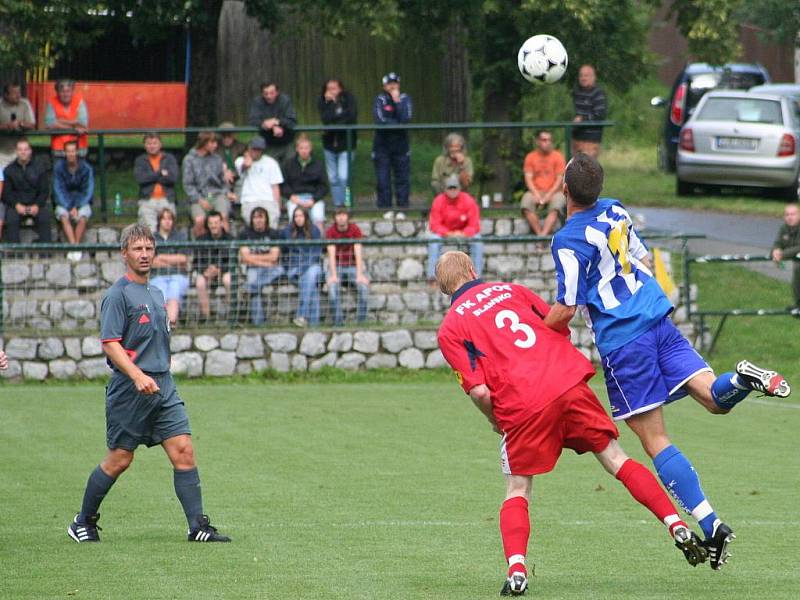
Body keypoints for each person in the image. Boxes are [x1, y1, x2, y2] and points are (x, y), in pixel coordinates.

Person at [546, 153, 791, 571]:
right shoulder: (615, 210)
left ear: (565, 190)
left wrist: (537, 330)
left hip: (625, 342)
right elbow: (641, 260)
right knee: (715, 397)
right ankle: (745, 381)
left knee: (655, 440)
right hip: (657, 317)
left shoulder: (567, 240)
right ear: (598, 188)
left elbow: (565, 309)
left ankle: (710, 523)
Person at [435, 250, 707, 596]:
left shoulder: (451, 328)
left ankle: (517, 569)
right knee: (616, 458)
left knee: (518, 488)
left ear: (442, 288)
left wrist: (497, 422)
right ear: (472, 270)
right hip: (567, 380)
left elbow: (481, 393)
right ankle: (676, 525)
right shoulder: (512, 290)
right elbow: (555, 323)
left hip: (524, 404)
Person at [66, 223, 230, 544]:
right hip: (131, 390)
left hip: (163, 386)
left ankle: (197, 525)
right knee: (120, 460)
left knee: (183, 449)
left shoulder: (156, 293)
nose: (144, 254)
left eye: (149, 248)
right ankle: (82, 521)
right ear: (124, 253)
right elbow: (110, 343)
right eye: (137, 248)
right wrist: (138, 375)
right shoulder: (117, 295)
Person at [427, 174, 482, 284]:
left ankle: (477, 276)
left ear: (459, 188)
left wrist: (464, 233)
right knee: (433, 240)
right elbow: (434, 224)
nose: (452, 190)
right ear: (445, 189)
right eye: (450, 188)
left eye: (454, 187)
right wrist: (448, 233)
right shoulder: (438, 201)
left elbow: (474, 224)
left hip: (463, 233)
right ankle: (432, 278)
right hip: (444, 234)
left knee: (478, 240)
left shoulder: (468, 200)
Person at [372, 72, 412, 220]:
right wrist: (397, 125)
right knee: (383, 178)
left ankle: (402, 208)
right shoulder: (380, 99)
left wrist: (397, 101)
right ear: (384, 86)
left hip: (401, 145)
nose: (392, 86)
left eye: (395, 83)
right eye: (389, 83)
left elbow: (406, 118)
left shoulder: (405, 99)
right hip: (382, 145)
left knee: (402, 177)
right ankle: (385, 208)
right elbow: (380, 120)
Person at [182, 131, 233, 238]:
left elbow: (222, 181)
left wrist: (227, 192)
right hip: (198, 197)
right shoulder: (189, 160)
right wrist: (200, 200)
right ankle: (200, 251)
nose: (216, 145)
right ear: (205, 143)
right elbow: (188, 185)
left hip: (216, 194)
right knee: (199, 220)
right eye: (213, 142)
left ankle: (226, 249)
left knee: (222, 217)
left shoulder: (217, 159)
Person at [240, 207, 284, 326]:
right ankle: (259, 322)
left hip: (271, 268)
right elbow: (244, 258)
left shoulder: (274, 233)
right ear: (252, 220)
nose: (258, 220)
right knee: (253, 279)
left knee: (280, 269)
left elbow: (274, 257)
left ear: (266, 219)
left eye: (261, 217)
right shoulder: (245, 234)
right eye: (255, 217)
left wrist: (253, 258)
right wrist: (264, 262)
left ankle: (248, 288)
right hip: (254, 268)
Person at [2, 138, 51, 243]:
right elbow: (6, 193)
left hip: (36, 204)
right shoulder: (9, 170)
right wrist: (16, 205)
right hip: (16, 205)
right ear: (16, 151)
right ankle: (15, 255)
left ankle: (45, 254)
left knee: (44, 218)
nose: (23, 152)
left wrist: (37, 205)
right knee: (11, 219)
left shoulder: (40, 168)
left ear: (30, 151)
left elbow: (44, 191)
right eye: (20, 150)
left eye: (25, 149)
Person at [318, 79, 358, 207]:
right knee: (333, 178)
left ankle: (347, 203)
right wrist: (331, 104)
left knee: (343, 177)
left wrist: (334, 124)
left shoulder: (348, 99)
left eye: (334, 88)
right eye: (328, 89)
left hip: (346, 144)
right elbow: (325, 119)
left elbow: (351, 117)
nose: (331, 91)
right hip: (329, 145)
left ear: (340, 89)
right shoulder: (323, 102)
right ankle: (338, 205)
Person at [326, 208, 369, 326]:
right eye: (338, 215)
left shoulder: (355, 229)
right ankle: (338, 322)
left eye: (343, 215)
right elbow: (331, 255)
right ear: (334, 217)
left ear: (347, 217)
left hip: (352, 267)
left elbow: (358, 253)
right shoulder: (331, 231)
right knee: (332, 289)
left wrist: (359, 275)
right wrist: (333, 275)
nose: (341, 217)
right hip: (337, 266)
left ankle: (361, 322)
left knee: (364, 288)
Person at [520, 130, 566, 236]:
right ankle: (539, 234)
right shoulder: (531, 157)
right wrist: (536, 194)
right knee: (525, 204)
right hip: (535, 191)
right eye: (544, 140)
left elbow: (559, 179)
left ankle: (541, 237)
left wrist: (549, 195)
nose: (547, 142)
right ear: (538, 141)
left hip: (554, 192)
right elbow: (528, 178)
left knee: (556, 207)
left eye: (549, 140)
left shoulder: (558, 156)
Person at [282, 207, 322, 328]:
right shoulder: (287, 232)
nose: (298, 219)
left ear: (306, 217)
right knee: (311, 284)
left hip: (311, 267)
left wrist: (302, 269)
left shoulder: (314, 231)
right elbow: (285, 254)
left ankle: (302, 314)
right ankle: (314, 322)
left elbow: (316, 254)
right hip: (294, 269)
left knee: (311, 274)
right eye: (296, 216)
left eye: (301, 216)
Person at [150, 208, 191, 328]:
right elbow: (152, 262)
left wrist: (162, 257)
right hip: (158, 276)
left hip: (178, 275)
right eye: (164, 218)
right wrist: (173, 261)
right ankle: (167, 324)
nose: (167, 221)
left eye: (170, 219)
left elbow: (183, 259)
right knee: (161, 292)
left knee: (174, 289)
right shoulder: (152, 238)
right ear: (159, 221)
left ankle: (170, 322)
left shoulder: (180, 236)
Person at [53, 140, 94, 258]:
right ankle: (74, 246)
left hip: (81, 202)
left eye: (73, 151)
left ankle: (75, 247)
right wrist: (70, 206)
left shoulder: (86, 168)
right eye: (68, 151)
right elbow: (58, 190)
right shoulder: (58, 168)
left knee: (83, 217)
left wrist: (77, 206)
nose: (71, 154)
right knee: (63, 216)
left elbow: (88, 191)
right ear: (64, 153)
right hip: (64, 202)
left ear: (77, 152)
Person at [281, 134, 329, 229]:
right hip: (295, 197)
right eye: (301, 148)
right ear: (297, 149)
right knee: (294, 216)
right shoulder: (288, 164)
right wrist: (291, 196)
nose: (304, 150)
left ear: (310, 149)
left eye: (306, 148)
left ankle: (318, 241)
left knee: (318, 217)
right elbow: (284, 184)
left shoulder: (318, 164)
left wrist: (314, 199)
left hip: (313, 198)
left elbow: (324, 186)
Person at [133, 132, 178, 232]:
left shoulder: (169, 159)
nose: (152, 146)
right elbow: (140, 179)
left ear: (160, 144)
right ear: (144, 145)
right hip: (147, 201)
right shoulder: (140, 160)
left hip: (167, 199)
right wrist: (160, 173)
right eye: (149, 143)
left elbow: (173, 178)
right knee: (149, 232)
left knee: (168, 231)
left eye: (154, 143)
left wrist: (151, 176)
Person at [235, 137, 283, 229]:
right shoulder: (239, 160)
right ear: (249, 148)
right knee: (253, 226)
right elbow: (246, 165)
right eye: (254, 149)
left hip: (268, 200)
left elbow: (275, 187)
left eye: (259, 149)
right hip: (249, 200)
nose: (256, 152)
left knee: (272, 224)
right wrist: (248, 156)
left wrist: (276, 205)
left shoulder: (271, 163)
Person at [194, 211, 233, 322]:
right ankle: (206, 317)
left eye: (216, 222)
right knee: (200, 282)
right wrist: (205, 270)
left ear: (221, 223)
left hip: (224, 272)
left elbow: (233, 261)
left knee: (228, 280)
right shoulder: (200, 240)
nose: (213, 225)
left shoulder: (230, 239)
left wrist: (219, 269)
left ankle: (232, 314)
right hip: (206, 272)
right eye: (211, 223)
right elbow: (196, 262)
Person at [247, 81, 297, 165]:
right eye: (265, 93)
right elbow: (253, 120)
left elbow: (292, 120)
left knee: (290, 168)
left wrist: (277, 122)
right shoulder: (257, 102)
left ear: (277, 92)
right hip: (268, 143)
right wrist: (265, 124)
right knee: (270, 169)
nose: (268, 96)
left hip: (287, 142)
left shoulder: (285, 100)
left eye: (271, 93)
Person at [45, 79, 89, 158]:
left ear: (72, 91)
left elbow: (83, 123)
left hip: (79, 149)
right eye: (62, 91)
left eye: (68, 91)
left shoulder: (79, 101)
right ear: (57, 92)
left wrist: (60, 121)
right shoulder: (51, 102)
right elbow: (49, 124)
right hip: (59, 150)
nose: (66, 94)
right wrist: (74, 125)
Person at [571, 65, 607, 158]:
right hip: (576, 137)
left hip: (591, 139)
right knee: (574, 169)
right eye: (581, 75)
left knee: (587, 168)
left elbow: (599, 115)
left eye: (586, 75)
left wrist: (582, 119)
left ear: (593, 77)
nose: (583, 78)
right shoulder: (577, 93)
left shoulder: (598, 93)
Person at [771, 203, 800, 313]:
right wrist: (776, 250)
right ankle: (798, 305)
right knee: (797, 275)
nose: (790, 217)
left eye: (793, 214)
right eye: (787, 214)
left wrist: (782, 254)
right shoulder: (784, 228)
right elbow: (778, 243)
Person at [0, 82, 36, 169]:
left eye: (19, 92)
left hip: (21, 152)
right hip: (2, 152)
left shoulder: (25, 103)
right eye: (14, 93)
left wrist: (21, 123)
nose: (18, 95)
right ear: (6, 95)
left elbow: (32, 124)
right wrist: (7, 126)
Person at [216, 122, 247, 214]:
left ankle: (238, 206)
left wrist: (234, 173)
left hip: (238, 175)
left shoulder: (241, 146)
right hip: (222, 176)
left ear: (233, 135)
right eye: (224, 136)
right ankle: (227, 209)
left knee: (242, 183)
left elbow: (245, 160)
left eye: (229, 136)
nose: (226, 139)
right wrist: (223, 171)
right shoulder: (216, 148)